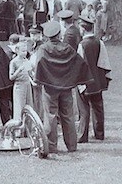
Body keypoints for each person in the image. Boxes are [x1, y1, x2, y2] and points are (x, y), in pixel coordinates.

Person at [35, 21, 92, 155]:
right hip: (66, 87)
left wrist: (40, 79)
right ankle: (72, 145)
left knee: (50, 116)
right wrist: (74, 79)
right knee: (68, 116)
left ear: (47, 36)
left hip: (50, 88)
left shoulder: (43, 49)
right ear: (59, 34)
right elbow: (79, 63)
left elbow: (39, 64)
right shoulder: (67, 48)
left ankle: (51, 146)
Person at [76, 16, 111, 143]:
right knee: (98, 107)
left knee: (84, 108)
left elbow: (80, 64)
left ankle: (82, 135)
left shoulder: (82, 45)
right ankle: (99, 134)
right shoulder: (99, 42)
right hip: (97, 81)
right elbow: (104, 62)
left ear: (83, 29)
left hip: (85, 81)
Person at [9, 40, 33, 121]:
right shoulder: (13, 62)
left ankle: (28, 126)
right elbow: (11, 77)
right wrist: (19, 70)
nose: (25, 53)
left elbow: (30, 73)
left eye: (26, 51)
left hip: (27, 84)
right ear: (17, 51)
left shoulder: (26, 60)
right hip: (19, 86)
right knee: (19, 106)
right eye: (23, 51)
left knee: (29, 105)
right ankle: (19, 126)